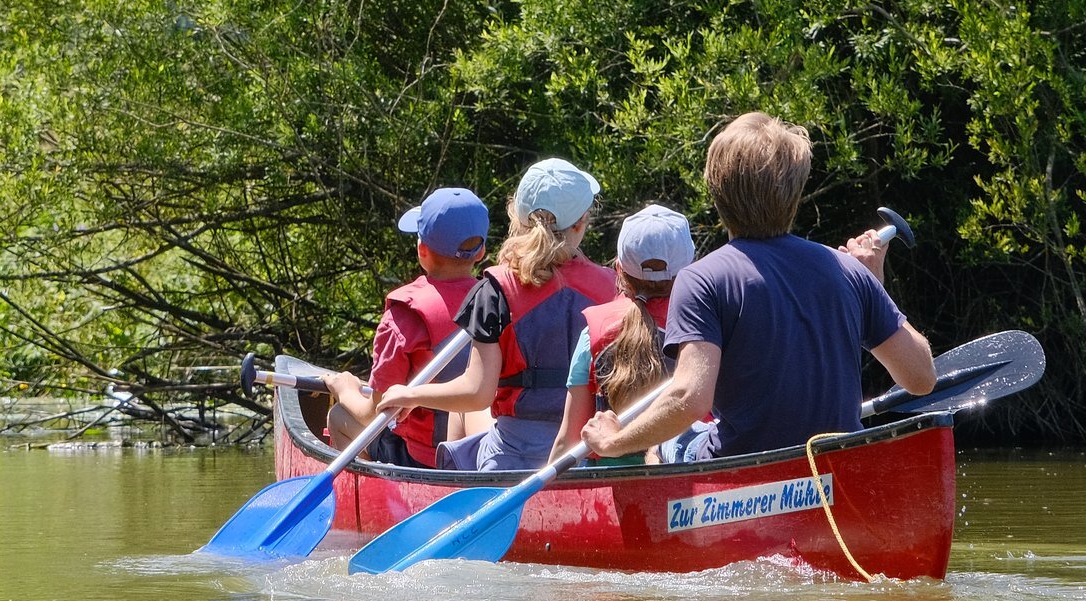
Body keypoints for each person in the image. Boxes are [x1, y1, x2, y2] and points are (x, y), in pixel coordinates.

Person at [582, 111, 936, 463]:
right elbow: (922, 377)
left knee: (662, 447)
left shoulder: (702, 279)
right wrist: (874, 284)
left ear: (716, 191)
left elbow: (690, 398)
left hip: (741, 467)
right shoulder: (850, 272)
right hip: (834, 465)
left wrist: (615, 441)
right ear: (795, 193)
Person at [378, 158, 617, 471]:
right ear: (581, 223)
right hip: (593, 453)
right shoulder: (615, 289)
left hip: (513, 457)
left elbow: (476, 393)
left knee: (460, 412)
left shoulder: (495, 290)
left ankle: (454, 487)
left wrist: (410, 394)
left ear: (517, 217)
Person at [323, 187, 489, 468]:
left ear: (422, 251)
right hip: (478, 446)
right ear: (481, 251)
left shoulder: (404, 316)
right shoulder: (496, 301)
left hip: (421, 457)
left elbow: (374, 413)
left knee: (339, 416)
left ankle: (365, 501)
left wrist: (345, 389)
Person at [547, 204, 695, 464]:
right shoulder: (704, 329)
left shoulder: (591, 334)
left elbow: (567, 440)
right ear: (690, 268)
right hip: (684, 478)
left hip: (610, 484)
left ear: (619, 269)